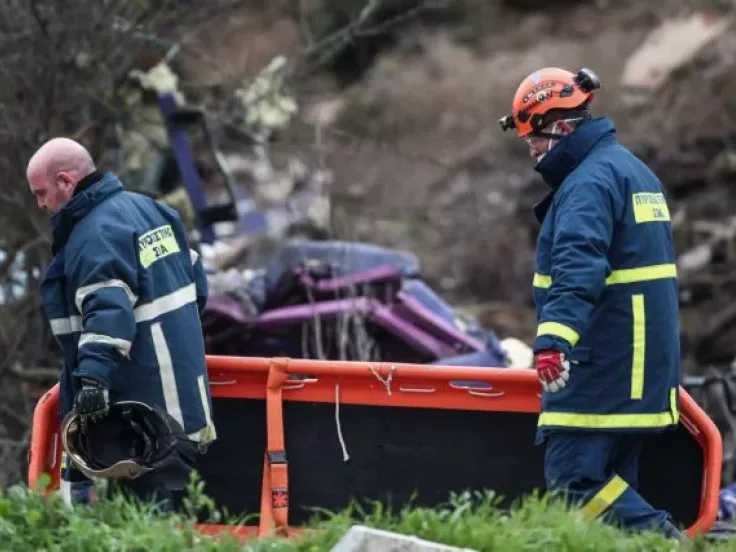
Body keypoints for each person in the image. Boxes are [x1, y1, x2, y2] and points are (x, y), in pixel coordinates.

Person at [499, 68, 682, 538]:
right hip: (643, 369)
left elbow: (578, 269)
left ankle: (669, 544)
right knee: (613, 495)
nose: (532, 150)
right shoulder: (633, 172)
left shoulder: (588, 184)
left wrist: (553, 341)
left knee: (574, 484)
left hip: (603, 369)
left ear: (561, 127)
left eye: (533, 138)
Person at [27, 137, 217, 510]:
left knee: (140, 527)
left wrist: (93, 382)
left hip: (140, 424)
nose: (41, 204)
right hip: (186, 407)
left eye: (42, 192)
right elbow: (197, 288)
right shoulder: (153, 211)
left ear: (66, 181)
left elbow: (108, 313)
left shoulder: (94, 235)